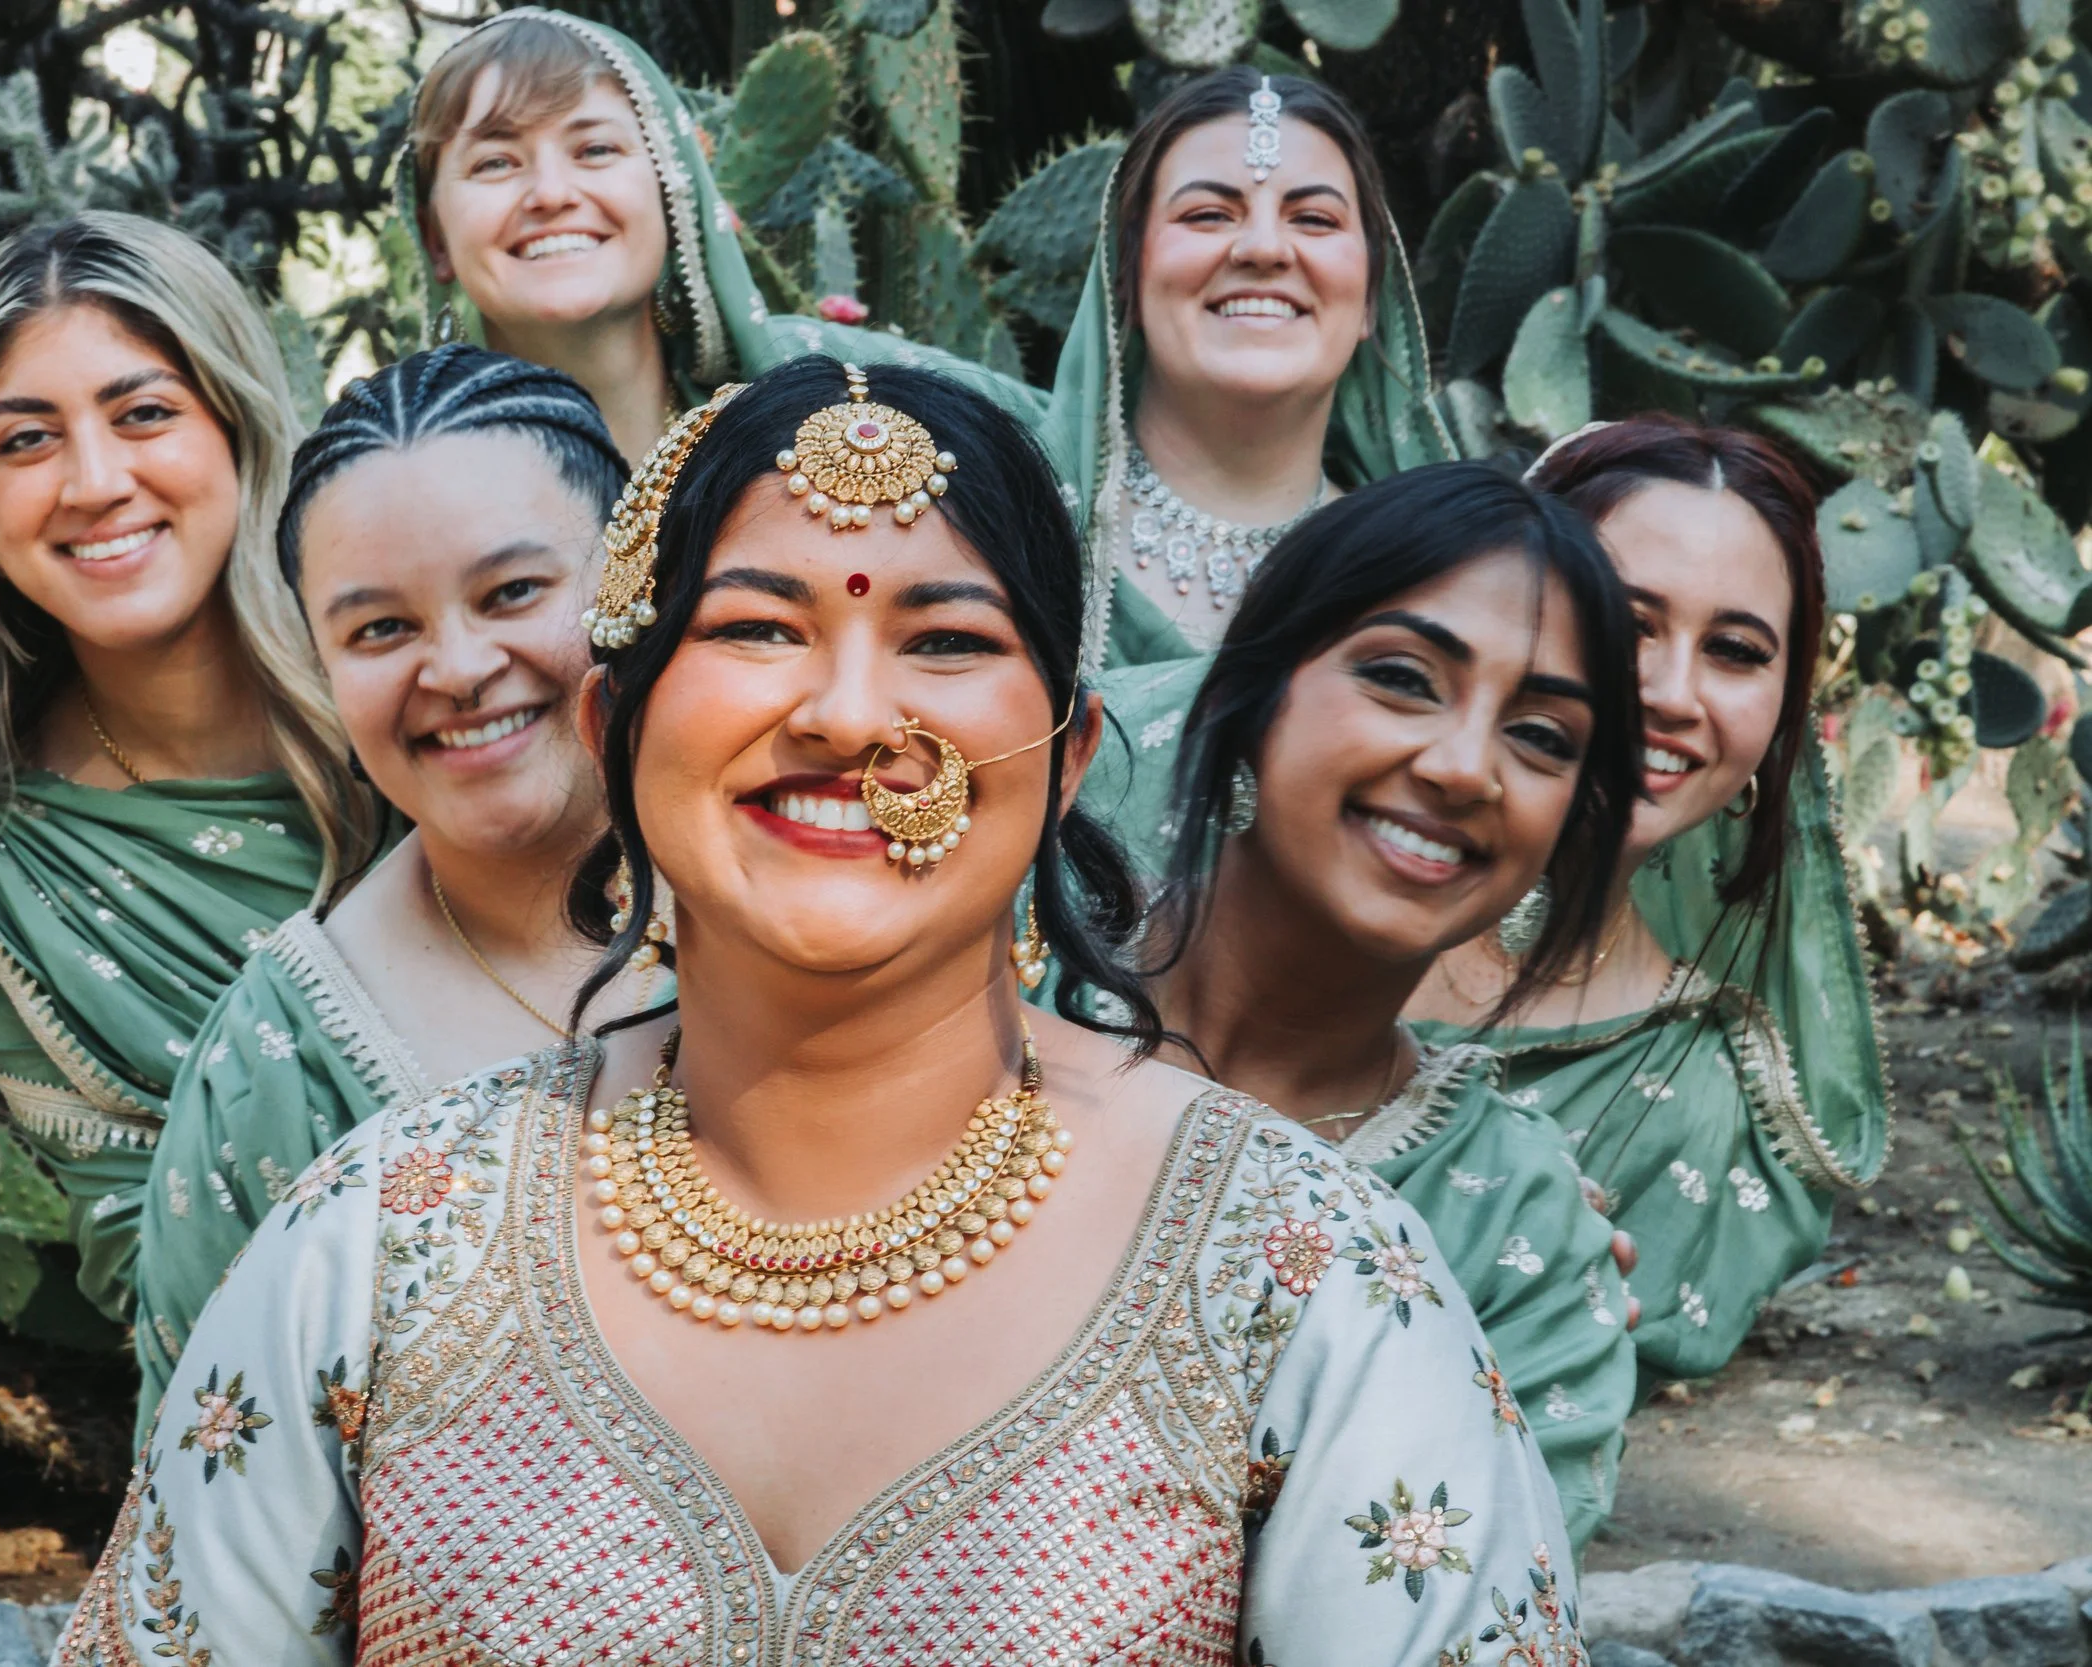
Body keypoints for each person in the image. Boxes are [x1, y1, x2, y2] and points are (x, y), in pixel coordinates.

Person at [54, 359, 1590, 1666]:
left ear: (1064, 758)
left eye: (947, 639)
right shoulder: (382, 1244)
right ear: (617, 723)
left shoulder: (1303, 1275)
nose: (850, 717)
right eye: (757, 627)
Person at [1079, 462, 1644, 1550]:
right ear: (1252, 696)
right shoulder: (985, 1003)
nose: (1464, 766)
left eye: (1541, 737)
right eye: (1402, 676)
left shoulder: (1514, 1227)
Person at [0, 213, 378, 1322]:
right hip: (289, 1406)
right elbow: (146, 1257)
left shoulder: (406, 702)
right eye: (26, 440)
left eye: (143, 414)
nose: (93, 482)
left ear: (234, 426)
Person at [132, 344, 662, 1419]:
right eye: (381, 628)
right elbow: (204, 1509)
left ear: (632, 582)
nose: (458, 669)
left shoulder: (816, 880)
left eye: (513, 591)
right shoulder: (279, 1067)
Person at [1407, 417, 1891, 1392]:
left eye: (1736, 649)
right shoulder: (1262, 864)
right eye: (1629, 624)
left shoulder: (1699, 1103)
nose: (1673, 694)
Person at [409, 8, 1036, 464]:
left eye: (595, 149)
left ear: (676, 196)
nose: (550, 192)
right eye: (495, 162)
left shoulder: (847, 402)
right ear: (435, 237)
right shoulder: (401, 479)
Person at [1038, 66, 1456, 672]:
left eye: (1314, 219)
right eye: (1208, 214)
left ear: (1370, 298)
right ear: (1124, 277)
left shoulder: (1424, 572)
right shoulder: (1013, 529)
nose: (1263, 248)